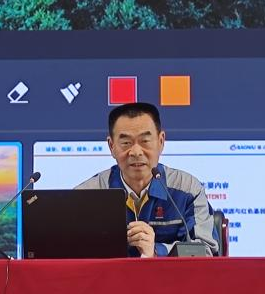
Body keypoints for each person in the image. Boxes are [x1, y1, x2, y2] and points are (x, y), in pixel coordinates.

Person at [76, 101, 218, 257]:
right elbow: (70, 253)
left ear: (161, 141)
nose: (136, 152)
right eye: (126, 143)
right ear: (111, 146)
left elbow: (206, 251)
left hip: (168, 274)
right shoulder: (85, 195)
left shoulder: (188, 190)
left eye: (145, 141)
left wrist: (157, 252)